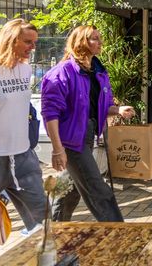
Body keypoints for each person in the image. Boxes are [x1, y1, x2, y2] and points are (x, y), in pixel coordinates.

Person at [41, 25, 135, 222]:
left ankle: (55, 229)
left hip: (88, 133)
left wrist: (117, 110)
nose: (100, 42)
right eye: (95, 38)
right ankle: (118, 234)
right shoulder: (62, 72)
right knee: (97, 188)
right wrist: (58, 149)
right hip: (71, 139)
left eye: (100, 38)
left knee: (71, 187)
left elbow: (101, 106)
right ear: (81, 42)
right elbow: (50, 113)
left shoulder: (98, 71)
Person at [0, 19, 46, 234]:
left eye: (35, 42)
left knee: (42, 221)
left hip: (23, 157)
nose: (33, 47)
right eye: (28, 41)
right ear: (11, 40)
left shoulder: (25, 69)